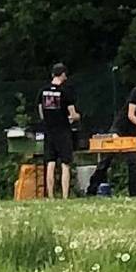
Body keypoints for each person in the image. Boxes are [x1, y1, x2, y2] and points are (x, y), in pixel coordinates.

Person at [91, 75, 136, 196]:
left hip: (135, 132)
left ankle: (134, 193)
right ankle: (92, 188)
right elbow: (131, 114)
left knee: (133, 161)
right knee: (107, 158)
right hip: (121, 127)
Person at [36, 63, 80, 199]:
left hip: (49, 131)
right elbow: (73, 115)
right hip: (63, 131)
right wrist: (77, 117)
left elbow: (41, 112)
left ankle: (50, 196)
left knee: (50, 162)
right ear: (63, 75)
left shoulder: (42, 91)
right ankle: (65, 195)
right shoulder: (65, 92)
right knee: (65, 164)